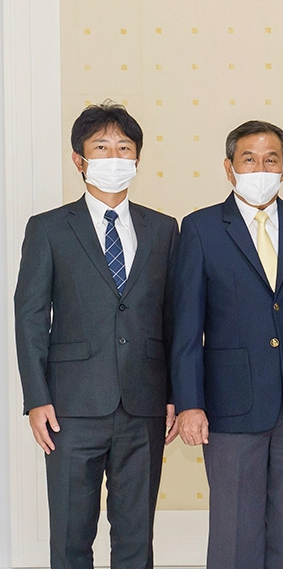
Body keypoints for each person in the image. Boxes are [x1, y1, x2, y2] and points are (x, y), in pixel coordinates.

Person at [170, 120, 283, 569]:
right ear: (229, 167)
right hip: (230, 405)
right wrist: (189, 403)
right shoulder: (200, 227)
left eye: (271, 159)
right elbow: (186, 326)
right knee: (236, 529)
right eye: (249, 159)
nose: (261, 168)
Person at [14, 102, 179, 569]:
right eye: (102, 147)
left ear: (137, 159)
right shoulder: (48, 228)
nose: (114, 157)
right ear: (79, 159)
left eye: (124, 148)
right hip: (70, 408)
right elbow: (30, 317)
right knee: (71, 536)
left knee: (136, 538)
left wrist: (174, 395)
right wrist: (37, 398)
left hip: (144, 405)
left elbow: (173, 318)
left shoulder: (163, 229)